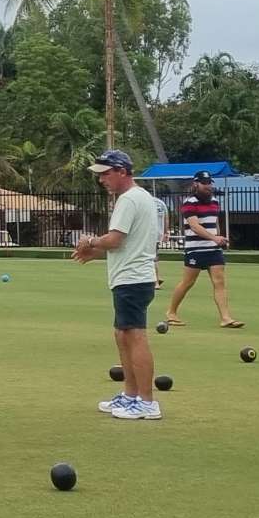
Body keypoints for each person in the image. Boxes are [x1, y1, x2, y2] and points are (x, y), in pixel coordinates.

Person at [72, 149, 163, 421]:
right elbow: (127, 243)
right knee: (122, 335)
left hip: (133, 279)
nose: (101, 180)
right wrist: (95, 252)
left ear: (122, 171)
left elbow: (114, 239)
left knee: (134, 336)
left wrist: (90, 242)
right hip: (132, 277)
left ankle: (147, 402)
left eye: (106, 174)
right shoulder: (142, 198)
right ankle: (131, 395)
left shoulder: (129, 200)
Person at [164, 171, 242, 328]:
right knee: (188, 282)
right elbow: (194, 226)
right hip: (195, 249)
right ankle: (171, 312)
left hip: (213, 249)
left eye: (209, 183)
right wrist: (214, 238)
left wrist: (218, 238)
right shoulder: (189, 203)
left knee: (219, 282)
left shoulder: (214, 201)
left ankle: (226, 318)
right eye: (204, 183)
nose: (208, 186)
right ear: (196, 184)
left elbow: (214, 223)